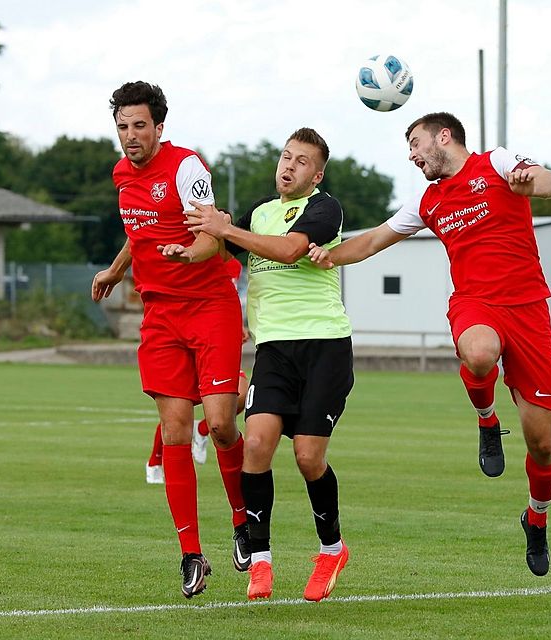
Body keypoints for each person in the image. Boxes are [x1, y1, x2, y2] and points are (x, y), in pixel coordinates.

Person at [306, 112, 551, 577]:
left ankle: (536, 518)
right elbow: (370, 243)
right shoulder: (428, 201)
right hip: (476, 304)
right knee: (481, 353)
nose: (411, 154)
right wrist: (329, 256)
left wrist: (531, 181)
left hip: (529, 310)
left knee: (543, 445)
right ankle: (487, 420)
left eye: (415, 142)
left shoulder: (497, 162)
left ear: (444, 136)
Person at [90, 81, 248, 598]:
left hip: (210, 307)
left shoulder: (186, 169)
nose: (130, 136)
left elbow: (212, 234)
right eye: (122, 127)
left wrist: (189, 254)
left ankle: (243, 523)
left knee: (222, 426)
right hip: (159, 316)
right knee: (176, 431)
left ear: (159, 127)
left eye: (139, 126)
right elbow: (139, 234)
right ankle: (191, 555)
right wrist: (116, 270)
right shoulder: (121, 175)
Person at [185, 127, 354, 602]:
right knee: (256, 444)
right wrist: (187, 247)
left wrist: (225, 230)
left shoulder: (325, 208)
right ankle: (260, 560)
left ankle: (331, 549)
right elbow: (217, 249)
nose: (289, 165)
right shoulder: (259, 211)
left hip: (324, 346)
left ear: (316, 174)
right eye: (285, 156)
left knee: (306, 456)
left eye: (301, 161)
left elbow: (288, 250)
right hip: (274, 350)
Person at [145, 256, 249, 484]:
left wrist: (237, 324)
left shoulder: (233, 264)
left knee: (240, 396)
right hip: (186, 336)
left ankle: (202, 429)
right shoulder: (193, 255)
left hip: (216, 338)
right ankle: (155, 461)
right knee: (176, 409)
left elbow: (225, 296)